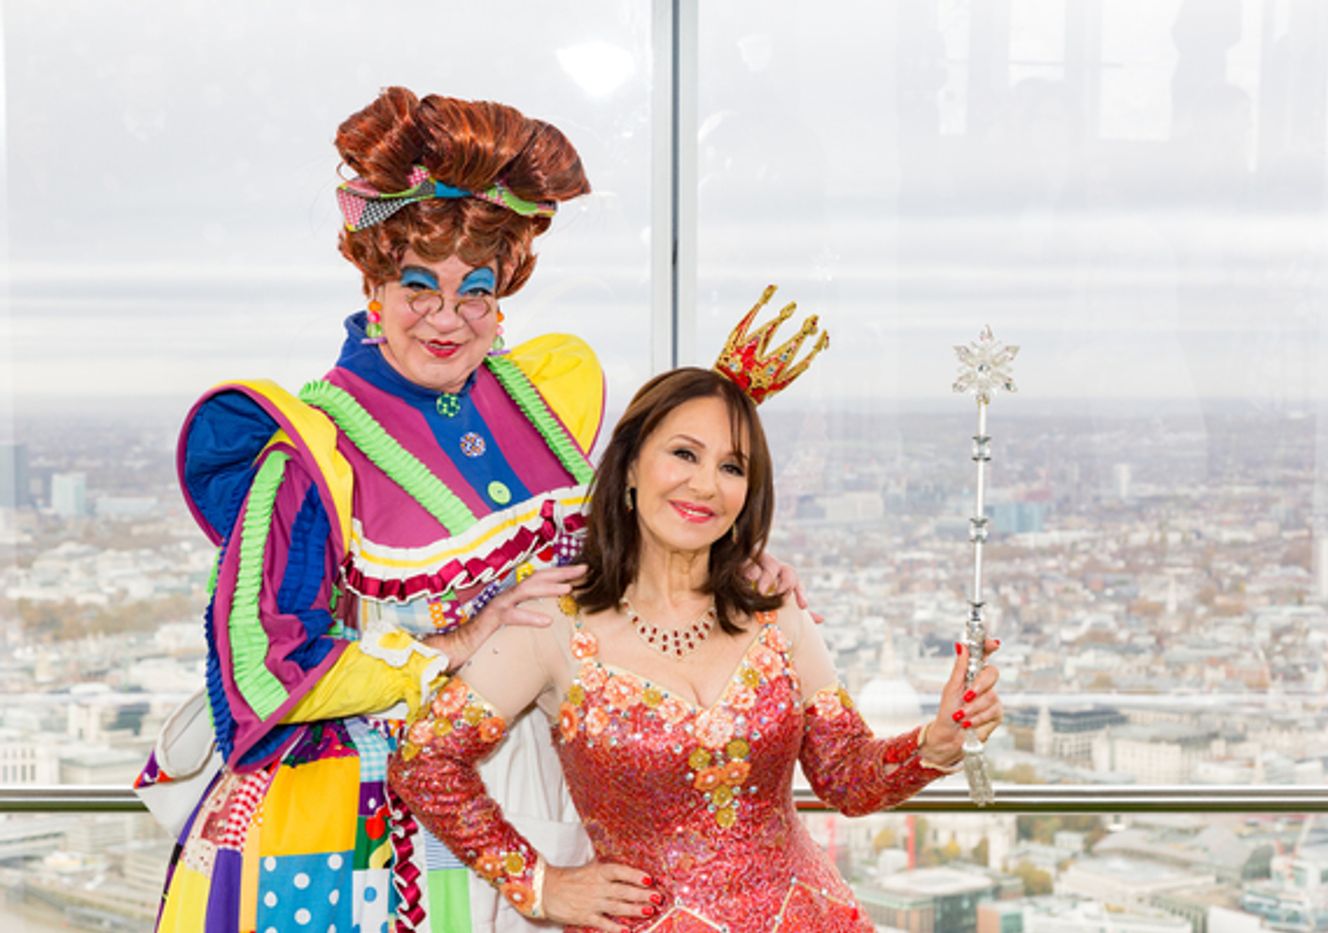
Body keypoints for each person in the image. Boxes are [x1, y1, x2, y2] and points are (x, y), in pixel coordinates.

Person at [139, 86, 797, 933]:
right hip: (359, 832)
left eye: (474, 291)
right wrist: (455, 641)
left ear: (501, 296)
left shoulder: (532, 408)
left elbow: (602, 565)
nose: (447, 318)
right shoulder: (308, 451)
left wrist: (729, 573)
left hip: (534, 800)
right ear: (373, 285)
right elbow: (264, 671)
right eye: (419, 287)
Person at [386, 309, 1005, 932]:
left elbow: (845, 778)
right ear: (629, 467)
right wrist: (540, 886)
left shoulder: (776, 612)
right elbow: (422, 761)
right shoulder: (555, 625)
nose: (706, 484)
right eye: (684, 454)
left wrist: (937, 745)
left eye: (732, 467)